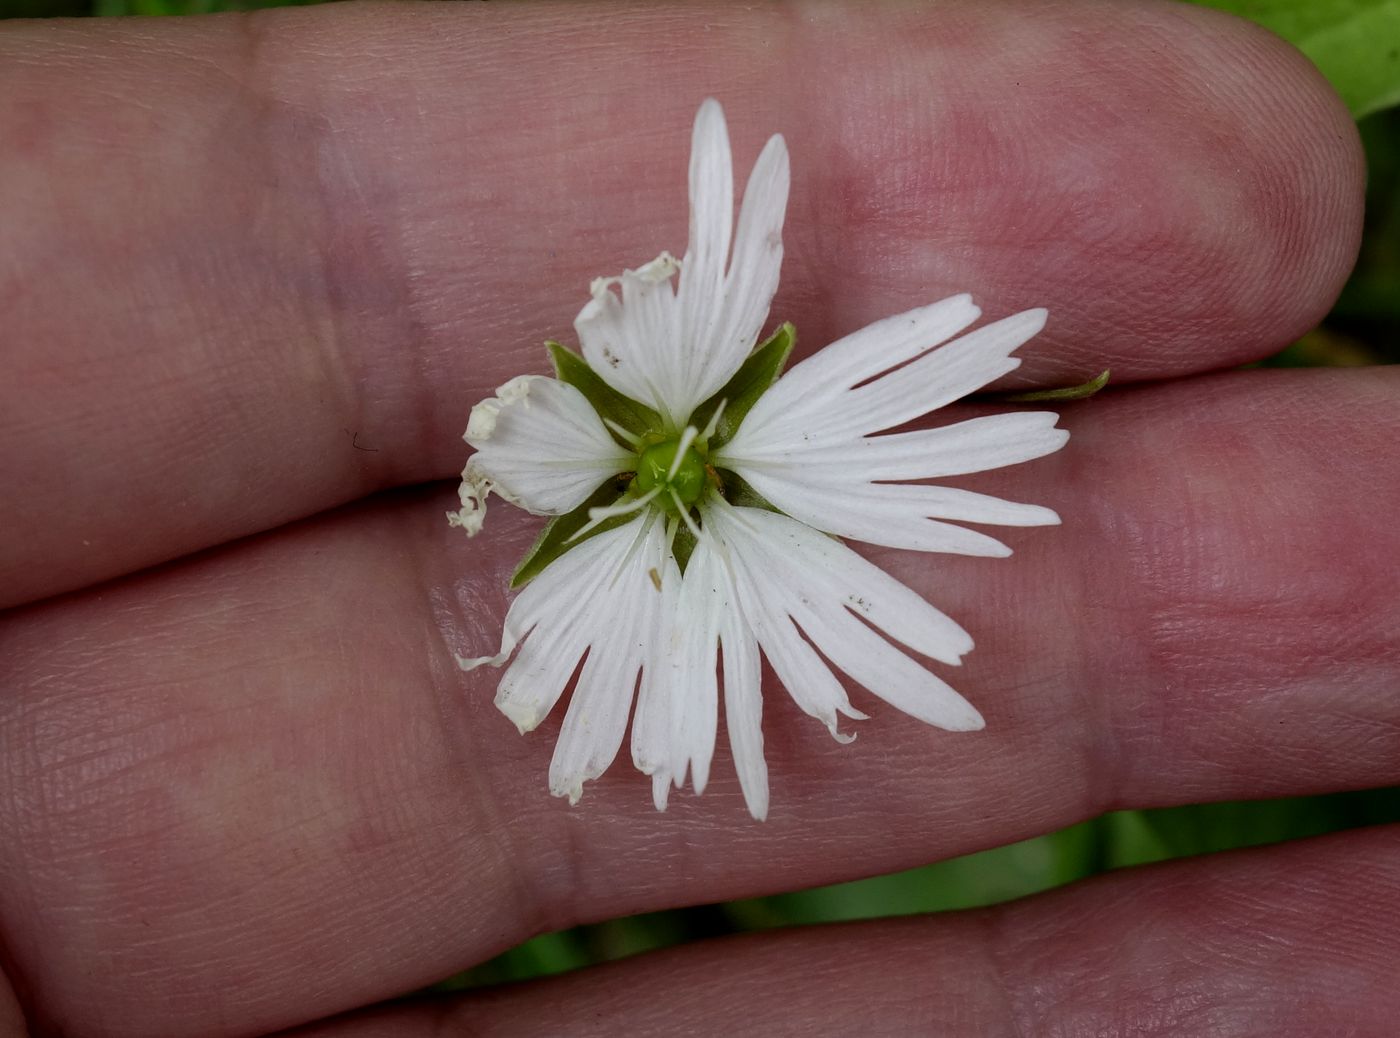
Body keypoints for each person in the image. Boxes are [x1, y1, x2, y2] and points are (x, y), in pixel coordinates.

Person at [0, 2, 1393, 1035]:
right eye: (670, 469)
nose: (671, 473)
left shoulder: (674, 438)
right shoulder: (598, 453)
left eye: (672, 469)